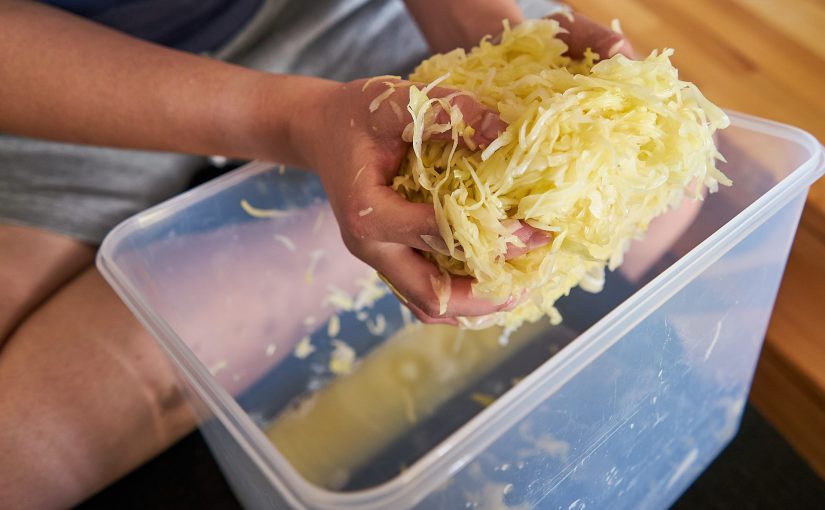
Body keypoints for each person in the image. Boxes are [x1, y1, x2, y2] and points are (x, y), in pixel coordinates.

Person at [0, 0, 633, 507]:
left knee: (672, 201)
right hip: (56, 75)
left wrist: (500, 47)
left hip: (332, 19)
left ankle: (332, 224)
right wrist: (293, 120)